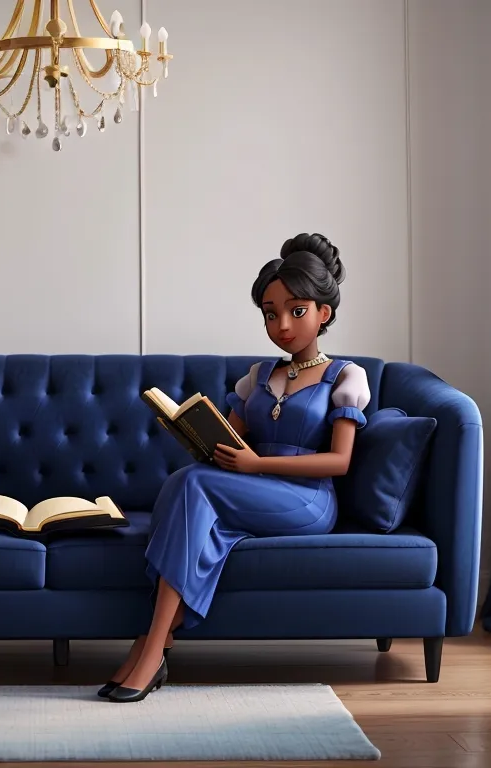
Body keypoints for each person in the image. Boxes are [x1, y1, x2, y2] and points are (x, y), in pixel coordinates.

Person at [99, 232, 371, 703]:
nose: (281, 324)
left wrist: (255, 463)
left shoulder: (345, 376)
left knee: (192, 486)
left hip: (306, 499)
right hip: (253, 488)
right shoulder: (259, 377)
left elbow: (341, 461)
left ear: (323, 313)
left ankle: (152, 647)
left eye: (296, 310)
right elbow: (231, 439)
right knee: (189, 482)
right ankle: (155, 642)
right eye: (270, 313)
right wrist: (194, 433)